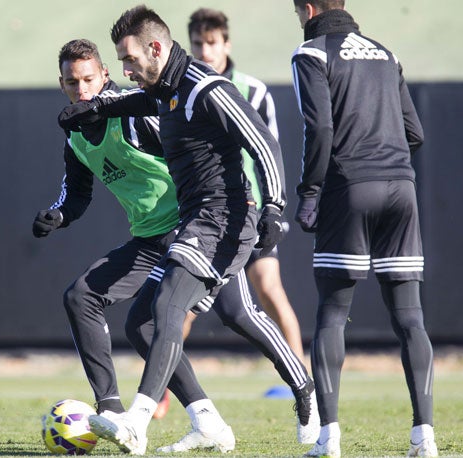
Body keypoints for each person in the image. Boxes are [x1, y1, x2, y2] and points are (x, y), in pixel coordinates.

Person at [58, 6, 318, 454]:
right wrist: (92, 107)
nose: (125, 70)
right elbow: (130, 100)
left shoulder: (205, 87)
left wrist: (275, 207)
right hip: (197, 220)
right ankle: (222, 417)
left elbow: (264, 142)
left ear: (156, 49)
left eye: (129, 59)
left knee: (168, 304)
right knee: (155, 323)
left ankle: (136, 420)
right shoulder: (164, 91)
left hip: (224, 217)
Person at [290, 1, 436, 457]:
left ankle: (329, 439)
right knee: (410, 318)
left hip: (349, 188)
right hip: (402, 190)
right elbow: (416, 133)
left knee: (333, 312)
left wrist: (310, 191)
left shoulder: (311, 54)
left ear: (309, 8)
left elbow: (321, 129)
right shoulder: (386, 54)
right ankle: (424, 438)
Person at [184, 7, 305, 363]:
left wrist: (273, 208)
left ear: (226, 44)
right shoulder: (183, 91)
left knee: (269, 290)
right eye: (197, 43)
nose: (205, 51)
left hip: (250, 213)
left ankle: (301, 375)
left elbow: (271, 152)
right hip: (205, 214)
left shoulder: (252, 91)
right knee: (183, 304)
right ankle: (160, 395)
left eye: (211, 42)